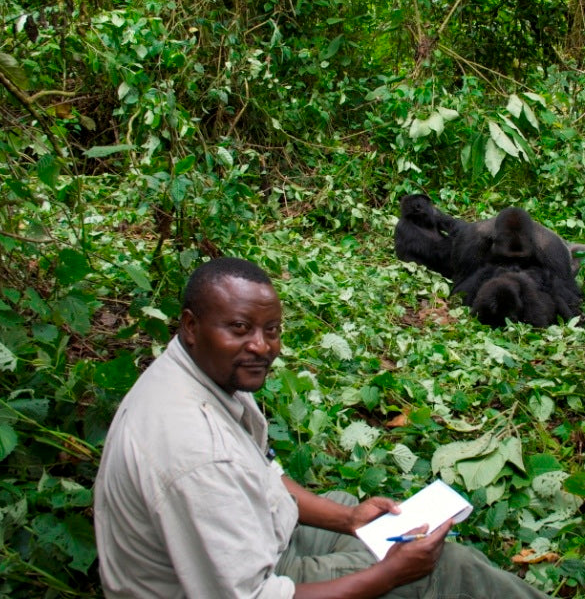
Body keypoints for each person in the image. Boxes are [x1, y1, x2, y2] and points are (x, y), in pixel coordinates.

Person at [94, 256, 553, 599]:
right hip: (241, 583)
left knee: (360, 514)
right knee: (443, 569)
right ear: (191, 326)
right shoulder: (196, 450)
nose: (262, 347)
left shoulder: (208, 372)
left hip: (255, 543)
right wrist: (390, 574)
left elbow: (264, 476)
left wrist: (349, 521)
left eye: (272, 330)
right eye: (239, 328)